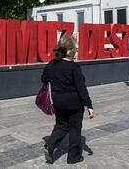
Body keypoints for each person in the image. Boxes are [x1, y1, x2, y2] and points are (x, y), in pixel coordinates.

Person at [41, 36, 94, 164]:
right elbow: (81, 88)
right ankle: (73, 157)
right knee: (75, 128)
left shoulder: (51, 64)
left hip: (58, 102)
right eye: (76, 48)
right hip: (74, 104)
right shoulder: (73, 67)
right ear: (71, 51)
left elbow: (44, 78)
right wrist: (89, 105)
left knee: (61, 125)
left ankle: (50, 146)